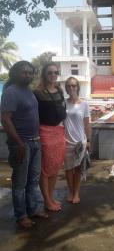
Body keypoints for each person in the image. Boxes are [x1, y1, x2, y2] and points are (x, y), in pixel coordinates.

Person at [0, 61, 48, 228]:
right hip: (21, 144)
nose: (27, 75)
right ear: (15, 73)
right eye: (23, 72)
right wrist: (19, 143)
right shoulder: (11, 92)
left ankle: (33, 209)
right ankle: (21, 215)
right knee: (20, 182)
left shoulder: (28, 91)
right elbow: (5, 120)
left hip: (35, 142)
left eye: (30, 72)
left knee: (33, 180)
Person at [34, 63, 66, 211]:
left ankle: (51, 198)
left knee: (55, 166)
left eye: (55, 72)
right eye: (50, 73)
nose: (53, 75)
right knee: (45, 169)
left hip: (59, 131)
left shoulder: (59, 90)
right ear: (44, 74)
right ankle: (47, 201)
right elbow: (33, 115)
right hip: (45, 132)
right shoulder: (38, 92)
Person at [64, 77, 91, 204]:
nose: (71, 88)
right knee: (69, 169)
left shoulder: (84, 104)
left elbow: (87, 124)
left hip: (80, 142)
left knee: (78, 169)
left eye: (74, 85)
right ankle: (70, 191)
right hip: (66, 141)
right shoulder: (63, 103)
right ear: (66, 88)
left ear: (78, 87)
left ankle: (76, 193)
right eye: (69, 86)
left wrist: (89, 141)